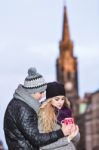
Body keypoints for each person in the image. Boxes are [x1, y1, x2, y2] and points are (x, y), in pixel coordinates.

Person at [3, 68, 70, 150]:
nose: (42, 96)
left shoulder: (24, 104)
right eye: (40, 93)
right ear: (32, 91)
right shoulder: (22, 108)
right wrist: (61, 132)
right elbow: (36, 139)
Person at [39, 82, 80, 150]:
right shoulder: (42, 115)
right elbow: (42, 145)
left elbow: (77, 139)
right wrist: (67, 138)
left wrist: (73, 132)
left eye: (62, 99)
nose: (60, 102)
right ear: (49, 100)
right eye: (57, 99)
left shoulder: (66, 113)